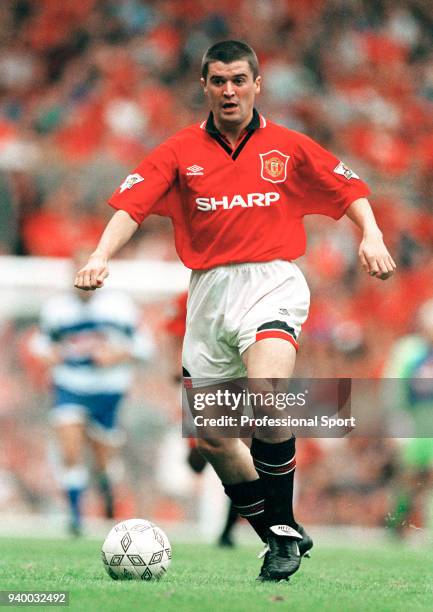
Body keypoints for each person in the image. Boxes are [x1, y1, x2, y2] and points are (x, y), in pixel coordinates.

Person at [74, 40, 396, 580]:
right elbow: (130, 205)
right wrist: (101, 254)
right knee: (216, 439)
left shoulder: (288, 146)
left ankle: (285, 531)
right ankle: (276, 534)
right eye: (218, 80)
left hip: (272, 281)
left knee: (267, 394)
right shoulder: (178, 150)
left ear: (257, 84)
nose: (229, 90)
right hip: (208, 294)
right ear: (204, 85)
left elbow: (349, 187)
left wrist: (373, 236)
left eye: (239, 80)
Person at [32, 250, 154, 535]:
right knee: (70, 448)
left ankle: (107, 492)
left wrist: (118, 354)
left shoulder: (119, 306)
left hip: (109, 390)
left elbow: (145, 345)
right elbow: (39, 343)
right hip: (71, 385)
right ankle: (75, 516)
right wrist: (48, 354)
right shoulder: (56, 307)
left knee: (103, 460)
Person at [384, 298, 433, 536]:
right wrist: (397, 425)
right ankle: (397, 523)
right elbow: (394, 390)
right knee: (409, 477)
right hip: (414, 423)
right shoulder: (408, 350)